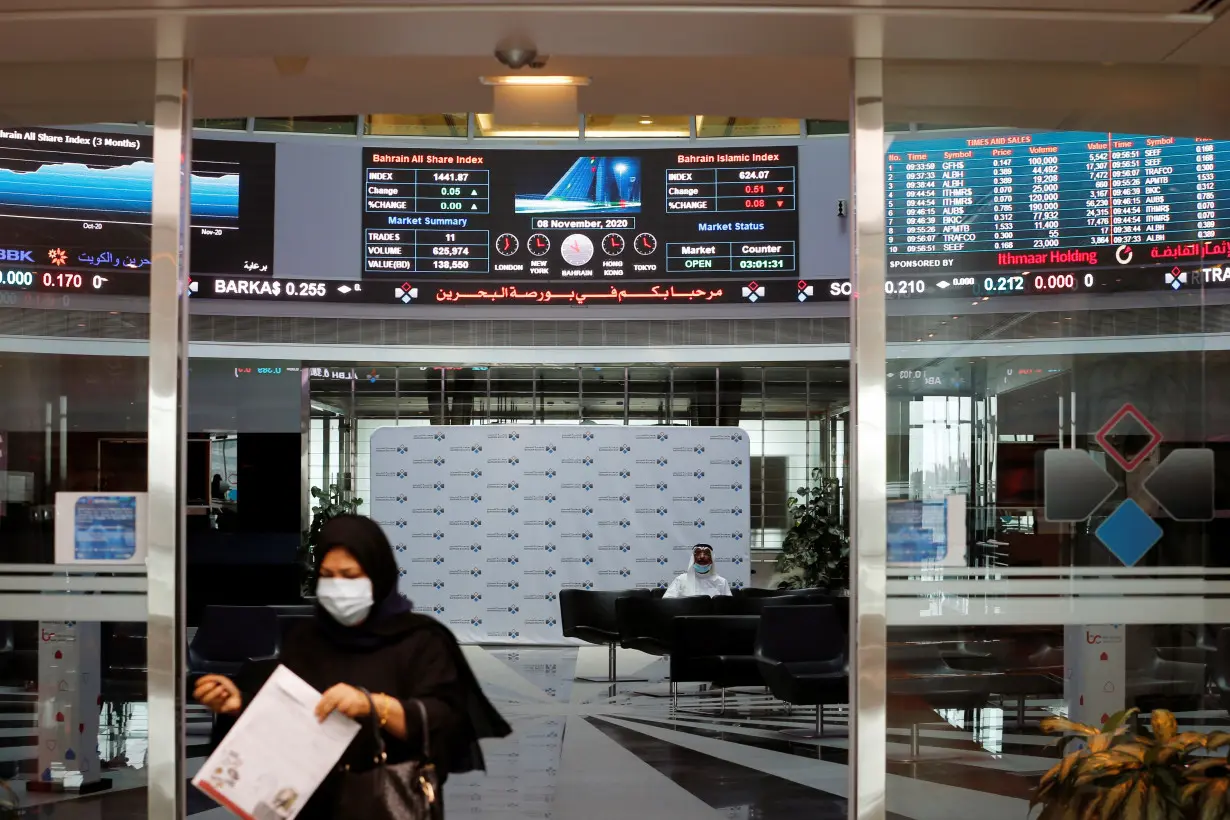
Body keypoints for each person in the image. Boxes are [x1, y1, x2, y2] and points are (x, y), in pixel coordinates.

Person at [194, 514, 510, 819]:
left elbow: (444, 723)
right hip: (309, 803)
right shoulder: (307, 639)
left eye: (350, 575)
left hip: (384, 801)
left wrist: (373, 705)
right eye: (328, 575)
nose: (337, 586)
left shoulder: (421, 640)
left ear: (378, 576)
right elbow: (290, 712)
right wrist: (238, 706)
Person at [662, 543, 733, 598]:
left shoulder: (721, 582)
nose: (702, 557)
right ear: (692, 559)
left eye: (706, 554)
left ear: (712, 560)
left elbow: (728, 605)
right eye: (698, 553)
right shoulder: (681, 580)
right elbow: (667, 601)